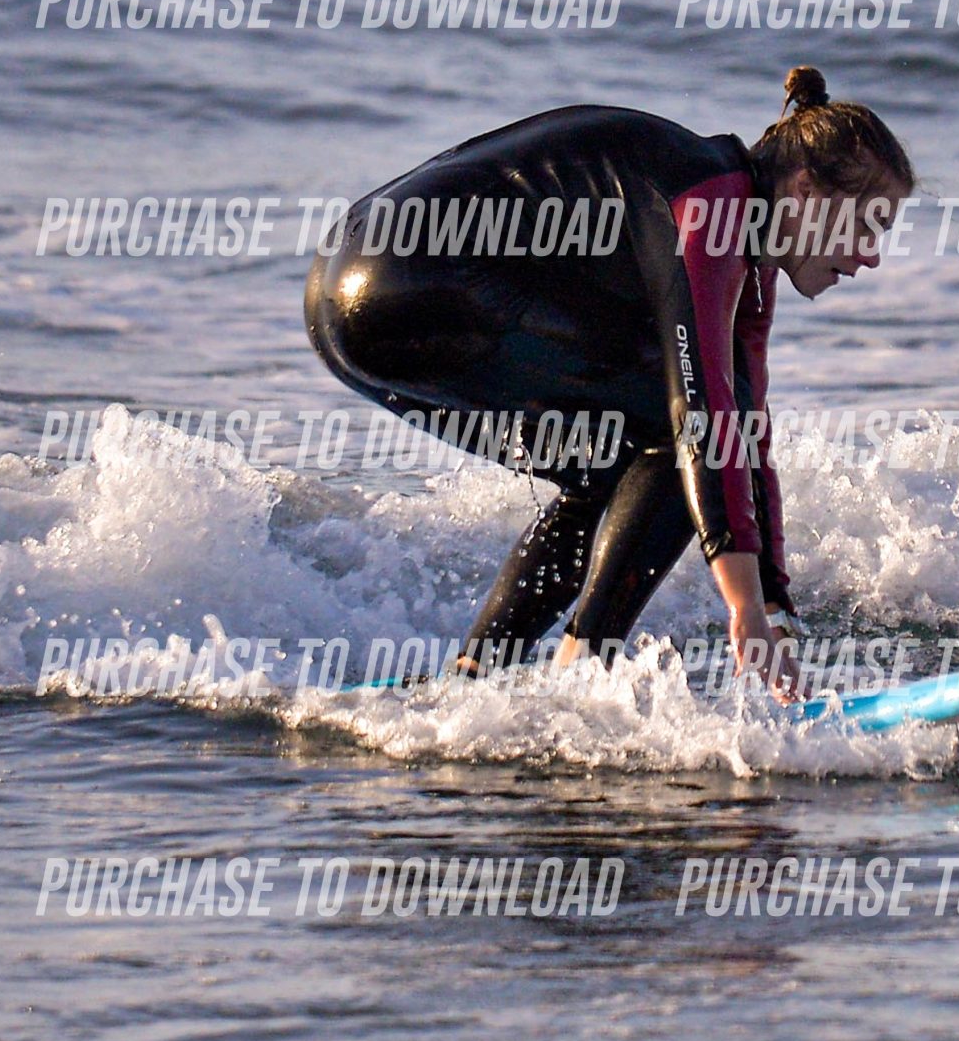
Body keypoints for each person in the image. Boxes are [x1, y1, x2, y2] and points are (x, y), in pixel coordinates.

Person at [305, 67, 916, 700]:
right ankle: (584, 669)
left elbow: (746, 431)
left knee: (607, 463)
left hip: (342, 298)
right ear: (807, 191)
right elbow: (704, 416)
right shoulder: (712, 205)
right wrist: (744, 609)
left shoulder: (741, 245)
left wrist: (775, 606)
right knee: (676, 433)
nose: (872, 255)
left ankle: (477, 677)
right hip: (407, 284)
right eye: (868, 226)